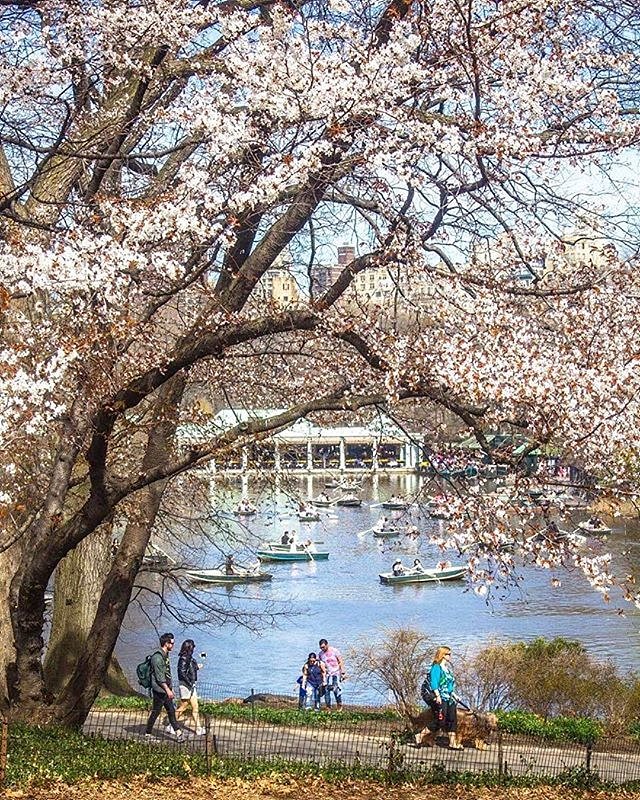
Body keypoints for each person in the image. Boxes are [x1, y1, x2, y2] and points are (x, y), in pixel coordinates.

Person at [145, 632, 183, 739]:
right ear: (166, 643)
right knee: (156, 712)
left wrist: (170, 688)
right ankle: (148, 733)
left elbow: (167, 674)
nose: (173, 645)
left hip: (166, 689)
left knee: (171, 711)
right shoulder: (157, 657)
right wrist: (167, 690)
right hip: (159, 690)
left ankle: (178, 733)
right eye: (172, 643)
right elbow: (160, 677)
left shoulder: (165, 655)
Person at [428, 646, 461, 749]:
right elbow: (434, 683)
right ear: (443, 655)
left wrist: (454, 695)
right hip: (441, 697)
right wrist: (437, 696)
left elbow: (449, 686)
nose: (450, 656)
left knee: (452, 720)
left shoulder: (447, 669)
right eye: (448, 654)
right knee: (441, 720)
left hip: (449, 698)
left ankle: (452, 743)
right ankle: (420, 735)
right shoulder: (436, 667)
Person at [174, 639, 206, 735]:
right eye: (193, 647)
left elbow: (190, 669)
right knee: (183, 706)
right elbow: (181, 673)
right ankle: (172, 725)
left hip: (191, 684)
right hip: (185, 685)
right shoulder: (183, 658)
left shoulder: (190, 658)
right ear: (189, 648)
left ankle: (198, 728)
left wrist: (197, 667)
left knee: (195, 706)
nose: (194, 649)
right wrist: (189, 683)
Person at [318, 638, 346, 710]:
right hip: (327, 674)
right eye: (321, 647)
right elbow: (320, 665)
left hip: (336, 673)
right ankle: (328, 707)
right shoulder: (320, 654)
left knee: (336, 689)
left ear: (327, 645)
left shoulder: (334, 651)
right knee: (326, 690)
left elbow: (341, 661)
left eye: (323, 647)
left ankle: (339, 704)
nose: (322, 649)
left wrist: (343, 672)